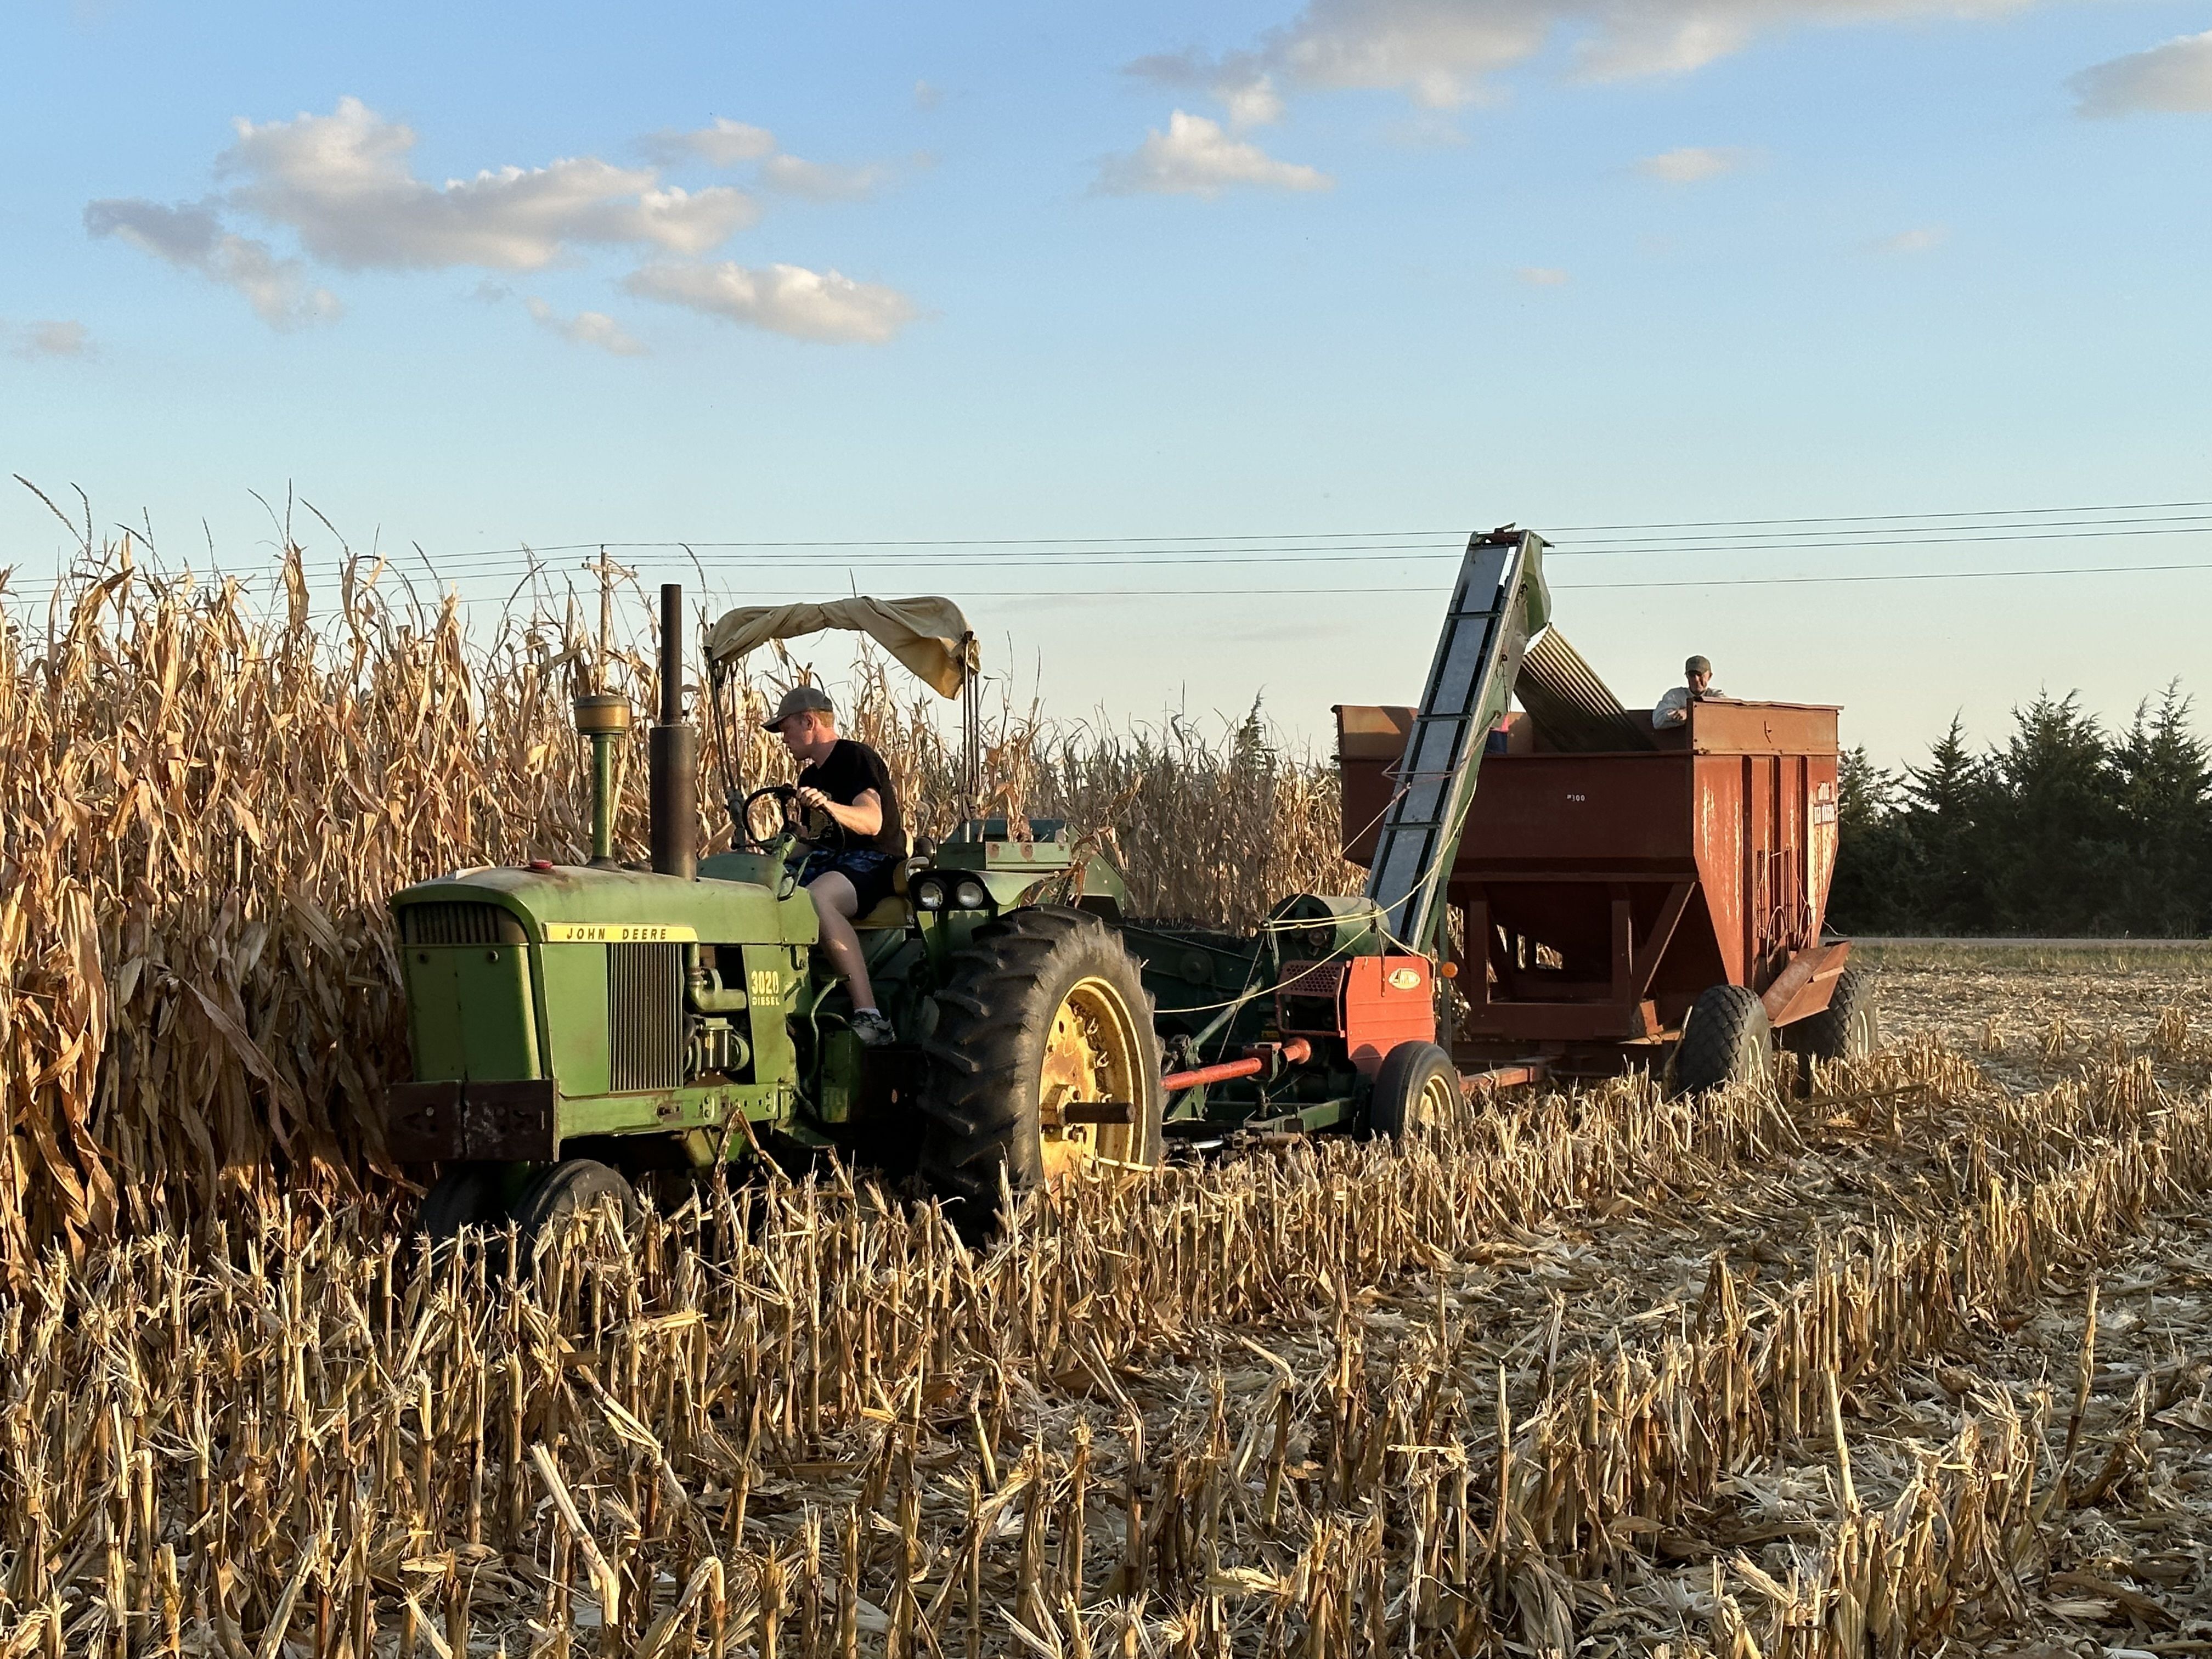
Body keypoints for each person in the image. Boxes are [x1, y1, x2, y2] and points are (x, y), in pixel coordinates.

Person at [766, 685, 905, 1046]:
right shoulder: (809, 777)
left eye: (786, 730)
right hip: (831, 860)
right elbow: (818, 841)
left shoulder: (854, 758)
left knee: (817, 898)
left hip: (873, 861)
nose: (784, 739)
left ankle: (870, 1016)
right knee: (765, 889)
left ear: (808, 721)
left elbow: (871, 821)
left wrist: (829, 807)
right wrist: (777, 853)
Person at [1652, 656, 1723, 728]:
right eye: (1692, 675)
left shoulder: (1716, 696)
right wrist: (1677, 717)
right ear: (1687, 676)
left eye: (1700, 675)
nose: (1696, 680)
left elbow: (1729, 712)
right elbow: (1658, 721)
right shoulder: (1675, 696)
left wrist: (1690, 712)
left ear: (1710, 676)